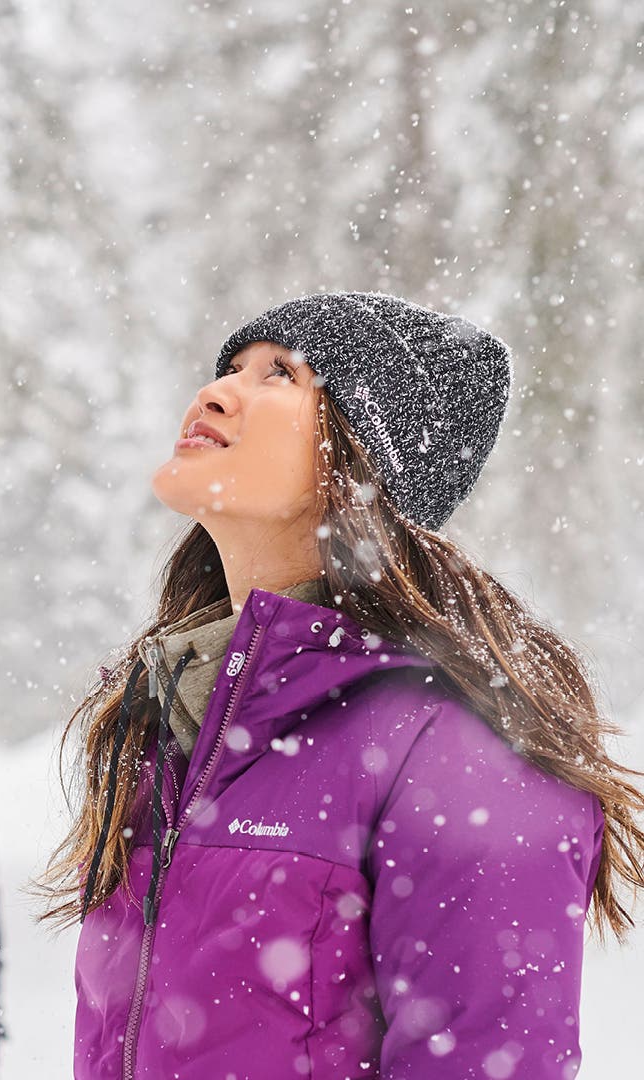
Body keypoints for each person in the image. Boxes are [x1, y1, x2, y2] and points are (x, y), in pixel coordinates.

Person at [41, 291, 644, 1078]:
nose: (215, 391)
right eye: (229, 368)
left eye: (279, 375)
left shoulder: (459, 750)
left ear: (361, 462)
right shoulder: (174, 720)